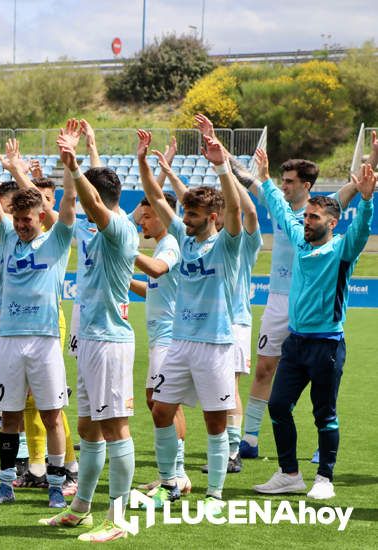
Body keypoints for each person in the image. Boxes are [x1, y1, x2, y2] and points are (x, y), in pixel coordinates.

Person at [38, 120, 140, 542]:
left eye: (86, 198)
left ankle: (117, 517)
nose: (81, 205)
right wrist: (81, 159)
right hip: (92, 340)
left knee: (116, 426)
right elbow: (89, 200)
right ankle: (81, 508)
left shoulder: (117, 228)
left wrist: (75, 164)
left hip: (112, 342)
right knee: (88, 428)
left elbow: (95, 202)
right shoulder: (94, 226)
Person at [0, 121, 76, 510]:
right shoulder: (8, 238)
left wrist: (70, 161)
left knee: (50, 414)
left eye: (26, 219)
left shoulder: (57, 241)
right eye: (17, 219)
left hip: (44, 340)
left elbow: (66, 206)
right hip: (9, 339)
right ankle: (5, 484)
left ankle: (55, 484)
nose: (20, 224)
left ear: (39, 218)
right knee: (9, 414)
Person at [137, 127, 242, 517]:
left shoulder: (226, 244)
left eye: (192, 214)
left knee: (215, 423)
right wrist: (144, 162)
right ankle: (170, 484)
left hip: (214, 344)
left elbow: (234, 210)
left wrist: (222, 168)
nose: (185, 218)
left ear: (210, 217)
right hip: (180, 342)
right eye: (184, 212)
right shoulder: (185, 238)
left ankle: (214, 494)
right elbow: (154, 199)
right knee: (161, 410)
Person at [253, 162, 374, 500]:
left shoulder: (342, 251)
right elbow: (279, 207)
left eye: (314, 218)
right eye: (306, 216)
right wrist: (264, 179)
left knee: (325, 414)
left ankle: (325, 478)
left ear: (332, 223)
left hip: (327, 346)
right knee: (278, 406)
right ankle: (289, 473)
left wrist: (366, 201)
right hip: (296, 343)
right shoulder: (301, 242)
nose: (306, 222)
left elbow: (362, 230)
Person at [128, 193, 192, 496]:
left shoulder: (171, 245)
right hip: (160, 337)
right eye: (143, 215)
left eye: (149, 215)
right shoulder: (162, 246)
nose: (143, 220)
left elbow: (157, 270)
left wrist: (125, 253)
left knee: (164, 404)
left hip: (170, 336)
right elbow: (152, 287)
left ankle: (178, 475)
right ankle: (175, 474)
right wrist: (122, 279)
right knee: (158, 403)